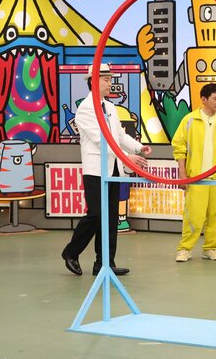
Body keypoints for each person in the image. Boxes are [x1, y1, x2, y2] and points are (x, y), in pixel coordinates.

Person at [61, 63, 151, 276]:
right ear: (93, 81)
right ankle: (71, 252)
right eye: (106, 79)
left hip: (113, 169)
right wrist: (126, 157)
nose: (110, 83)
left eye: (110, 79)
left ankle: (104, 263)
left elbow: (119, 135)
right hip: (95, 170)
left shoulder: (110, 107)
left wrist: (139, 147)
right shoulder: (85, 108)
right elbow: (101, 141)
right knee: (95, 215)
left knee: (110, 218)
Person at [173, 83, 216, 262]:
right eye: (215, 98)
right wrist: (183, 175)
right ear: (203, 99)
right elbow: (179, 148)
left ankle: (211, 248)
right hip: (196, 179)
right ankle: (185, 249)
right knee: (193, 216)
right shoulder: (189, 120)